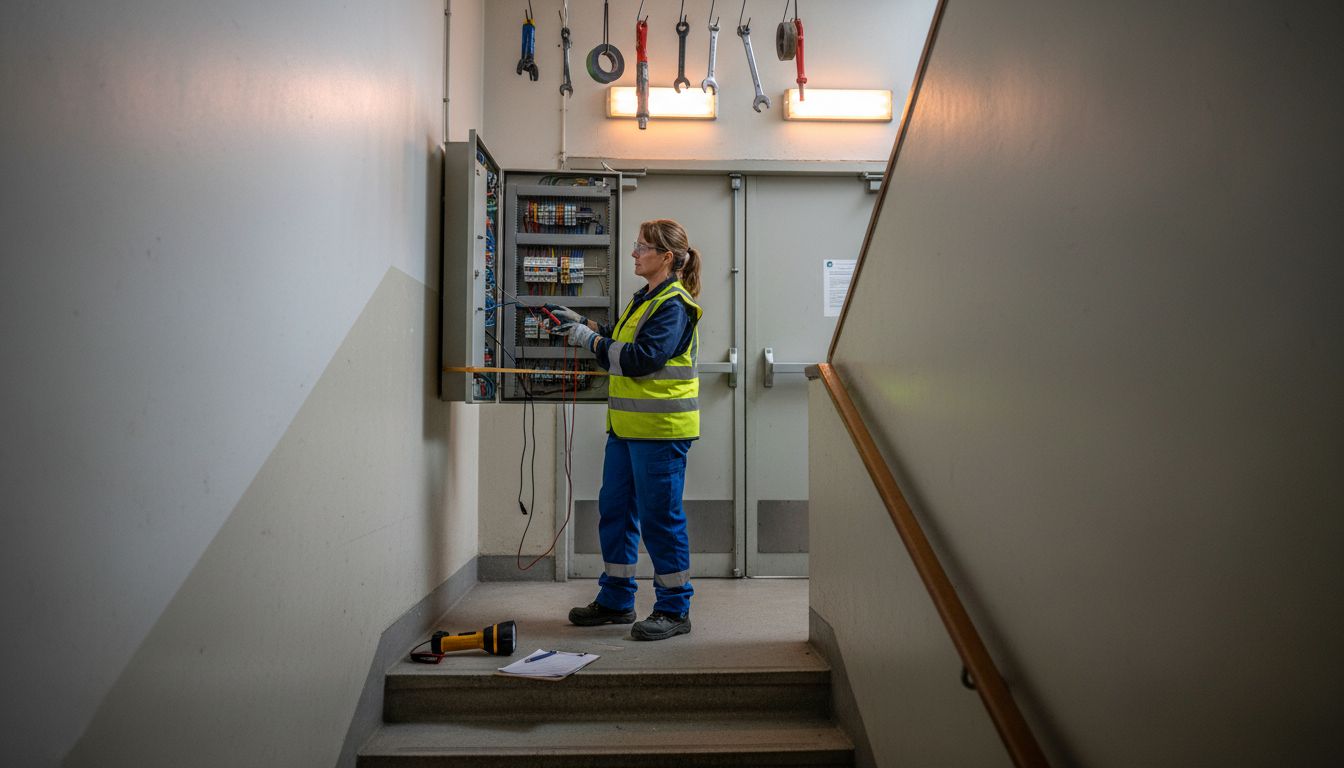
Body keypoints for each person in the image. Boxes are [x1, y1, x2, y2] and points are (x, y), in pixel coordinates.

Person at [546, 219, 703, 641]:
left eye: (642, 247)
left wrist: (587, 340)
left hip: (661, 431)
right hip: (628, 429)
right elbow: (620, 339)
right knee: (615, 512)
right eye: (635, 245)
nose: (634, 253)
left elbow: (640, 359)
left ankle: (673, 609)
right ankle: (616, 599)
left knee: (660, 519)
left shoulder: (674, 304)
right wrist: (584, 324)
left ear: (666, 258)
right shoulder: (645, 297)